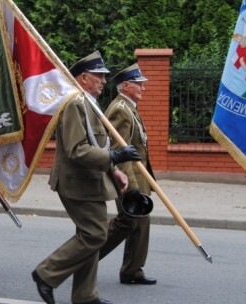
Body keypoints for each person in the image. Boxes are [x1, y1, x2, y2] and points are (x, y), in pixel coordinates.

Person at [31, 51, 141, 304]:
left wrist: (113, 170)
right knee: (95, 235)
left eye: (104, 77)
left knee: (90, 235)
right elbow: (76, 149)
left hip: (91, 181)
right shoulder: (74, 104)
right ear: (83, 78)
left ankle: (85, 295)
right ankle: (46, 274)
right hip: (76, 182)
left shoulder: (88, 102)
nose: (104, 81)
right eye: (98, 76)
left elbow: (96, 144)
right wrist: (115, 157)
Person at [99, 63, 156, 285]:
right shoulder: (120, 109)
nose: (143, 88)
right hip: (128, 177)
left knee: (140, 223)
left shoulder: (128, 106)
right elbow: (117, 150)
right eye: (139, 84)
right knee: (127, 221)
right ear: (125, 85)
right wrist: (131, 188)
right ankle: (83, 258)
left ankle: (132, 270)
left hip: (138, 176)